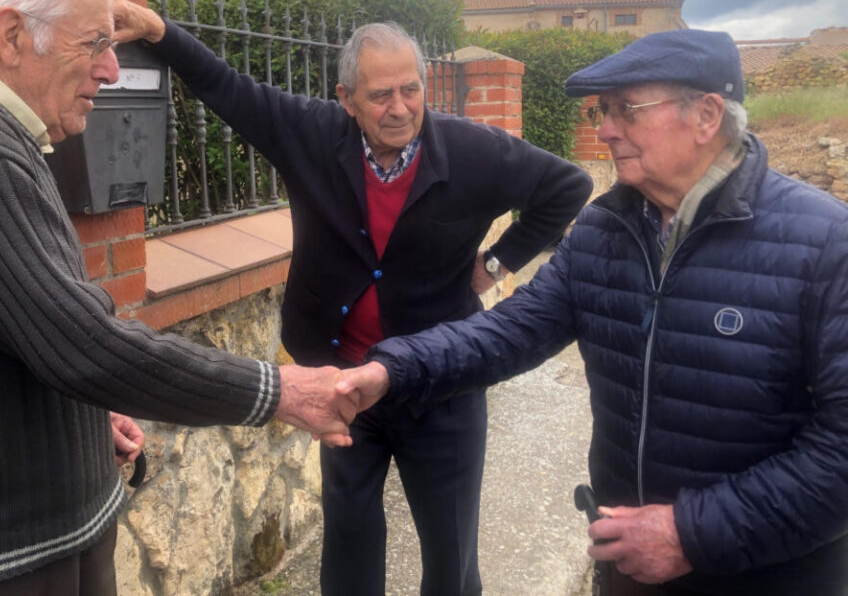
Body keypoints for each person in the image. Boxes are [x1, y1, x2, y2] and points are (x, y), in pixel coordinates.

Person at [0, 0, 356, 596]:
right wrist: (281, 391)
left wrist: (82, 418)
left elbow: (7, 322)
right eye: (95, 44)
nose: (111, 72)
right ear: (12, 34)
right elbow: (81, 343)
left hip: (14, 526)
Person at [337, 29, 848, 595]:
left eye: (626, 109)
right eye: (602, 110)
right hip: (629, 569)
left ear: (706, 115)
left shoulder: (825, 243)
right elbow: (511, 331)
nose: (603, 129)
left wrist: (692, 534)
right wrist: (390, 370)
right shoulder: (607, 227)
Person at [111, 1, 593, 596]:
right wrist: (159, 31)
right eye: (380, 95)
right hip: (342, 385)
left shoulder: (474, 151)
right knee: (350, 537)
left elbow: (568, 186)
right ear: (347, 98)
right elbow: (225, 86)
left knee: (451, 551)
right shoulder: (312, 133)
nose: (399, 109)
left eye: (410, 90)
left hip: (442, 383)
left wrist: (494, 265)